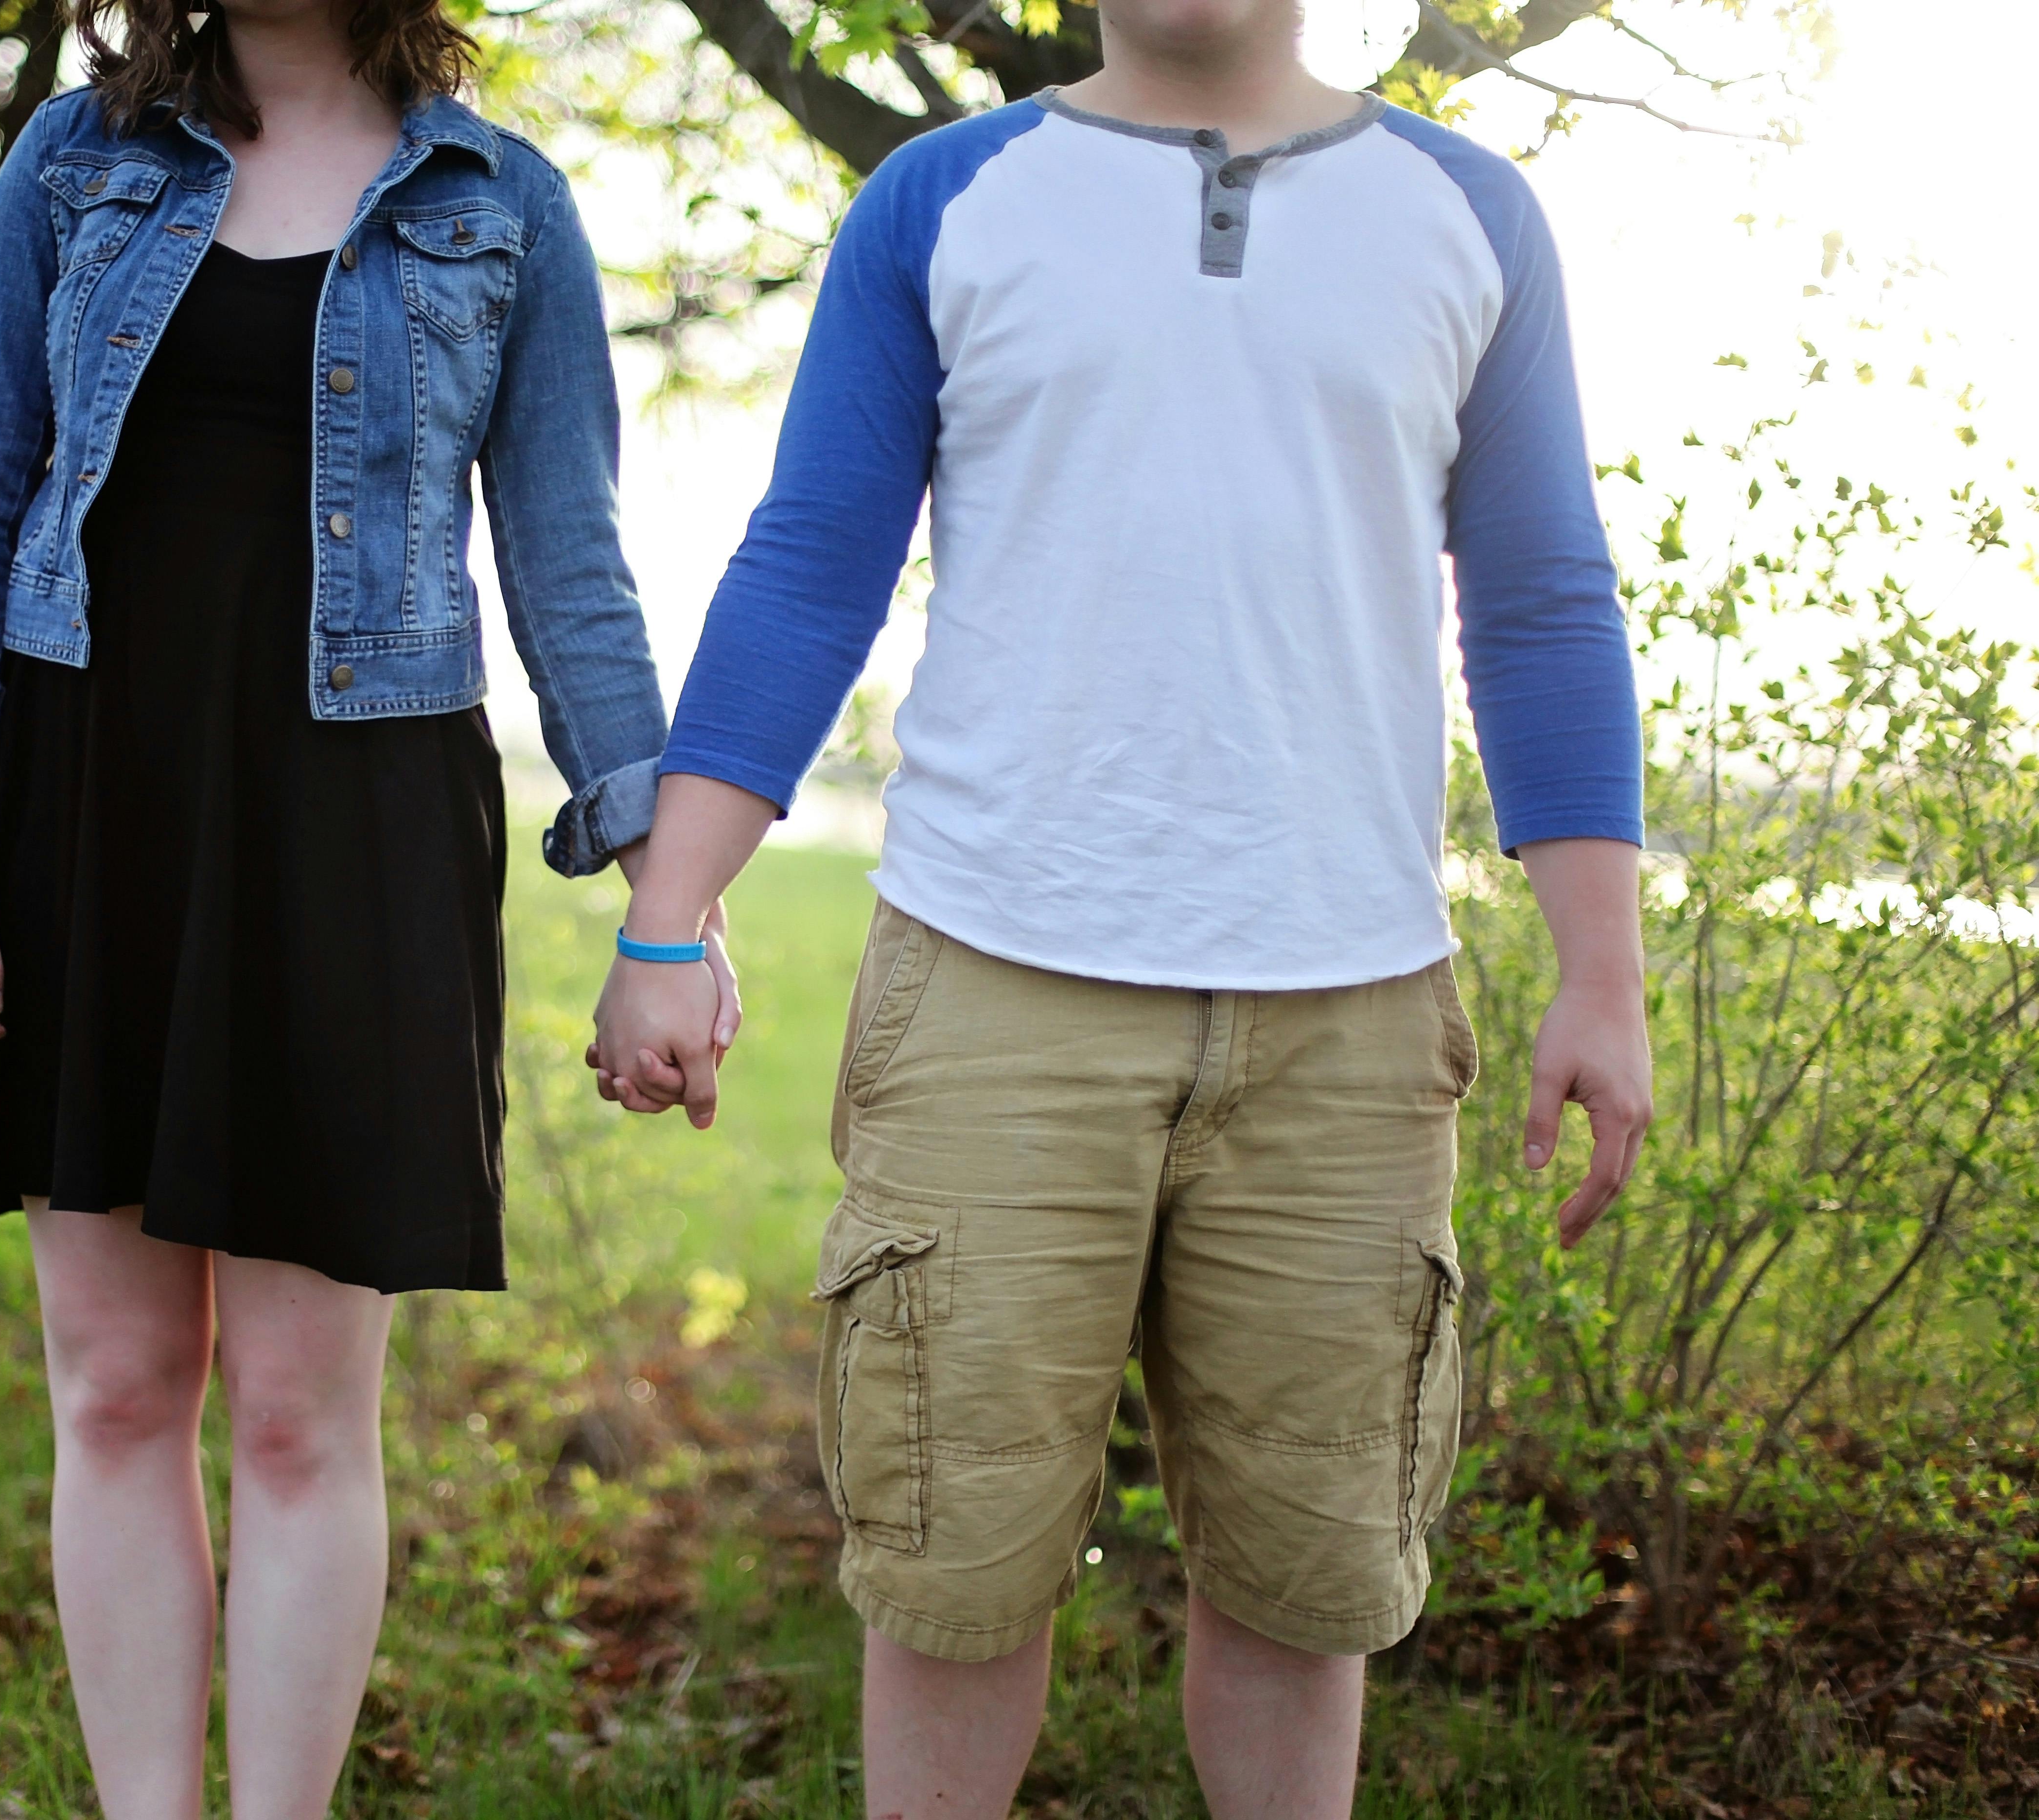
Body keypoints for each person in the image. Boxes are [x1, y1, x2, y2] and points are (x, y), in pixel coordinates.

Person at [590, 0, 1654, 1813]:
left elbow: (1545, 600)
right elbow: (812, 554)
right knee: (950, 1574)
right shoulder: (943, 196)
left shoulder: (1469, 214)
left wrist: (1600, 976)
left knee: (1308, 1587)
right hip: (995, 996)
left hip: (1350, 1019)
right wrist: (668, 917)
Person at [0, 0, 704, 1811]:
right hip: (90, 800)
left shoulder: (505, 206)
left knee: (309, 1415)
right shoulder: (75, 165)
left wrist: (667, 910)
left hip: (356, 825)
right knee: (119, 1389)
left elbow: (568, 560)